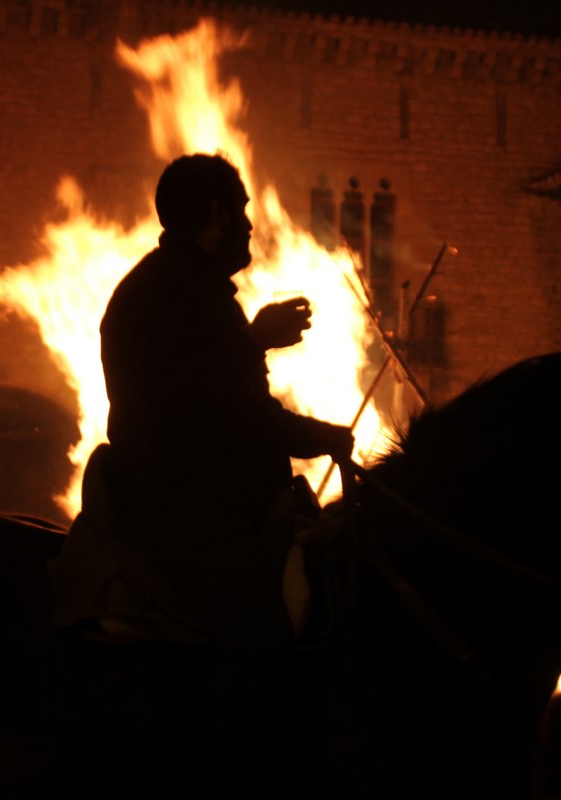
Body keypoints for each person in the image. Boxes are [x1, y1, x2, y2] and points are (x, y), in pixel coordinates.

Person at [51, 152, 352, 649]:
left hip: (187, 503)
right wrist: (327, 437)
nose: (250, 225)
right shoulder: (181, 295)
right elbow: (226, 413)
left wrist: (254, 342)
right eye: (243, 209)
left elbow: (209, 385)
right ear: (218, 213)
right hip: (189, 512)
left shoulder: (179, 288)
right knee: (270, 636)